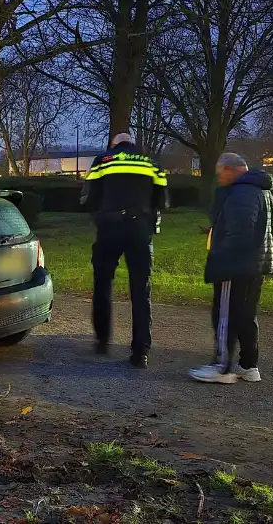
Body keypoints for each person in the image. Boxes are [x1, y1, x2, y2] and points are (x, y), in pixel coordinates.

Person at [81, 132, 169, 368]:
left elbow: (88, 199)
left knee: (103, 285)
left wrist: (101, 217)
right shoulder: (152, 164)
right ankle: (140, 353)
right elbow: (163, 202)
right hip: (140, 232)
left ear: (113, 145)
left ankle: (102, 341)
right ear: (132, 144)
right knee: (141, 291)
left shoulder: (102, 162)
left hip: (109, 230)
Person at [189, 153, 273, 384]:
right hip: (256, 264)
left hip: (235, 265)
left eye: (220, 175)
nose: (219, 180)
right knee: (247, 315)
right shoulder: (262, 190)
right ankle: (248, 365)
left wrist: (223, 256)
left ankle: (222, 367)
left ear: (229, 169)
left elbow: (240, 231)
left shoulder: (241, 193)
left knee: (225, 315)